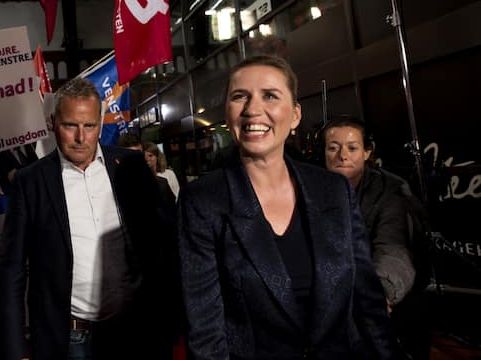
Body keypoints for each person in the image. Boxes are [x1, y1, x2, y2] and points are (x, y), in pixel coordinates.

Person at [177, 55, 401, 359]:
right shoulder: (203, 201)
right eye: (240, 96)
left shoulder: (333, 191)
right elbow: (205, 329)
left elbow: (368, 299)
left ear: (295, 115)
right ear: (227, 114)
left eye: (269, 95)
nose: (253, 109)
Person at [0, 77, 174, 360]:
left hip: (132, 330)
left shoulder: (131, 166)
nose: (81, 137)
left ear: (100, 125)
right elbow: (11, 270)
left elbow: (161, 246)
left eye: (89, 126)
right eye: (70, 126)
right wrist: (15, 349)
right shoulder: (32, 182)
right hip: (68, 338)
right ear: (54, 122)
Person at [322, 115, 429, 360]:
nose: (342, 156)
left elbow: (394, 249)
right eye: (333, 148)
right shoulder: (313, 188)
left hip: (388, 298)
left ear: (367, 152)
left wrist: (379, 295)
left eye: (352, 148)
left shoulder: (390, 192)